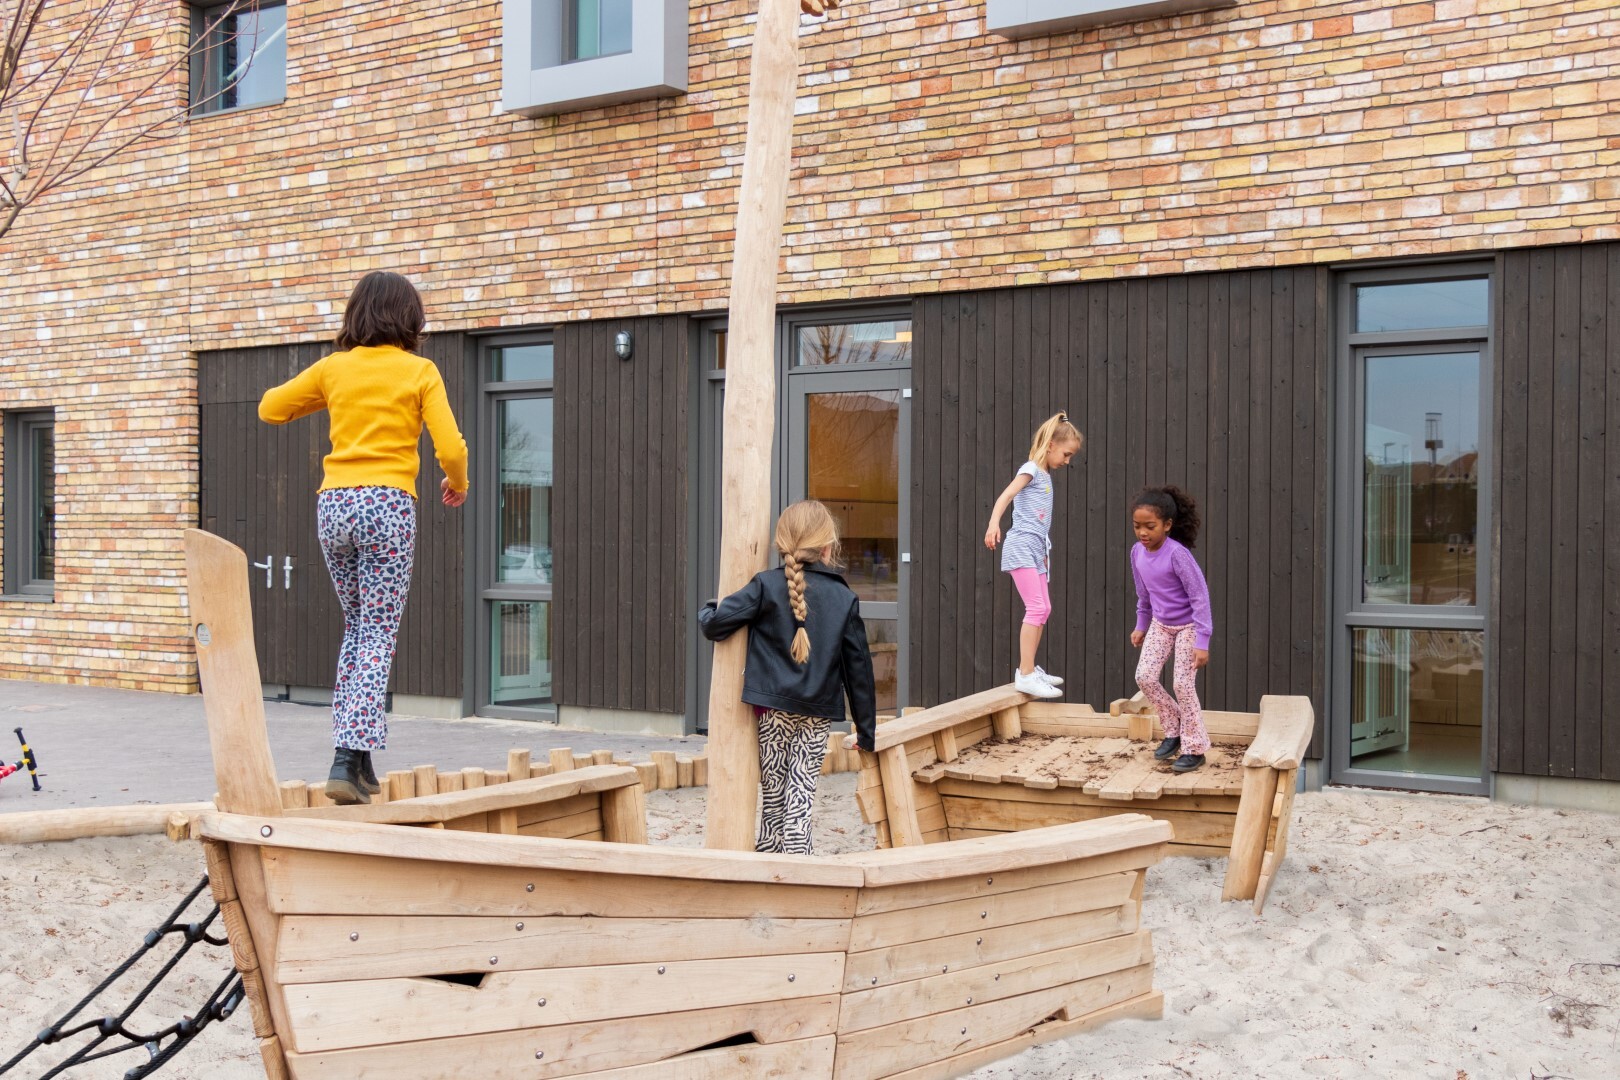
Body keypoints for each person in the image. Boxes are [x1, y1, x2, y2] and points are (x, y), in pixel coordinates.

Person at [258, 271, 469, 804]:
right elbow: (452, 449)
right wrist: (457, 484)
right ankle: (345, 757)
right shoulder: (420, 371)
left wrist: (329, 397)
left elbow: (271, 408)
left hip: (334, 506)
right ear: (410, 318)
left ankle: (362, 762)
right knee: (377, 632)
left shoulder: (334, 369)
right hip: (388, 505)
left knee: (357, 628)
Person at [699, 500, 877, 855]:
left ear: (783, 544)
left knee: (774, 795)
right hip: (817, 712)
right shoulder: (843, 597)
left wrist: (708, 607)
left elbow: (716, 626)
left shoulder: (765, 585)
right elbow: (859, 668)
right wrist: (866, 731)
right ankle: (801, 865)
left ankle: (770, 865)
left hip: (772, 708)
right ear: (828, 547)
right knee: (801, 794)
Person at [984, 412, 1083, 699]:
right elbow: (1005, 496)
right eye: (1066, 454)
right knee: (1037, 608)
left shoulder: (1045, 475)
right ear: (1051, 444)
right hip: (1021, 544)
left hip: (1036, 548)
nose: (1067, 461)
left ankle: (1028, 669)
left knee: (1044, 608)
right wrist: (993, 524)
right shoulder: (1031, 469)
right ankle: (1025, 674)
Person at [1129, 486, 1213, 773]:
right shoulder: (1137, 553)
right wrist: (1141, 625)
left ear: (1167, 525)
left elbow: (1199, 597)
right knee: (1145, 677)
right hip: (1161, 625)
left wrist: (1203, 641)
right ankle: (1173, 728)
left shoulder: (1178, 555)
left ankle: (1195, 747)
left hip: (1189, 626)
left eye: (1150, 527)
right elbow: (1144, 594)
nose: (1142, 532)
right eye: (1137, 526)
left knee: (1182, 684)